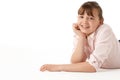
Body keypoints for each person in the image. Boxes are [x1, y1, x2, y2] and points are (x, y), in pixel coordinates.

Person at [40, 1, 120, 72]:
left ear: (100, 21)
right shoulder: (80, 32)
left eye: (91, 18)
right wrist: (82, 37)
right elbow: (75, 62)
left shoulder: (105, 30)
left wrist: (58, 67)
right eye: (81, 17)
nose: (84, 22)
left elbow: (92, 66)